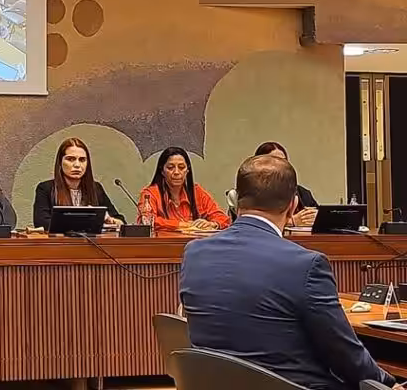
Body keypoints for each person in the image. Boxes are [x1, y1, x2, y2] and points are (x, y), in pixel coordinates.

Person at [181, 155, 400, 390]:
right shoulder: (306, 264)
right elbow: (344, 352)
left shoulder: (194, 252)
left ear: (235, 199)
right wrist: (387, 383)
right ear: (293, 205)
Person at [33, 138, 125, 230]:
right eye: (71, 159)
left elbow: (120, 220)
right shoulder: (46, 188)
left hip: (92, 244)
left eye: (82, 160)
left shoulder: (96, 188)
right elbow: (41, 223)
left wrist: (111, 220)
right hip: (60, 243)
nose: (77, 165)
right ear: (60, 163)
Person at [139, 147, 230, 232]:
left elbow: (223, 218)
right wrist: (181, 224)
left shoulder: (197, 192)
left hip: (194, 245)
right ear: (162, 171)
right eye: (170, 168)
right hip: (162, 246)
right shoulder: (150, 194)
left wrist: (212, 224)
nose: (177, 172)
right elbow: (147, 221)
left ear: (187, 171)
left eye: (181, 167)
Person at [255, 141, 319, 227]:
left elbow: (317, 215)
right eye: (274, 161)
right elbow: (256, 222)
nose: (280, 165)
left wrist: (314, 217)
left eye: (283, 161)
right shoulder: (254, 192)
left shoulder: (301, 192)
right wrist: (291, 221)